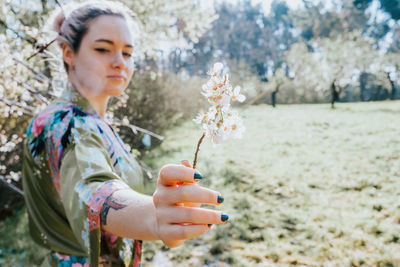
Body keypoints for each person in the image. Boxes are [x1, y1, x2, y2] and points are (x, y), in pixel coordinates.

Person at [22, 1, 228, 266]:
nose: (120, 62)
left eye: (128, 53)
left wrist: (166, 210)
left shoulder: (94, 123)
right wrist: (154, 217)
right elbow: (94, 187)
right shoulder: (63, 123)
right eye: (103, 49)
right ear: (68, 53)